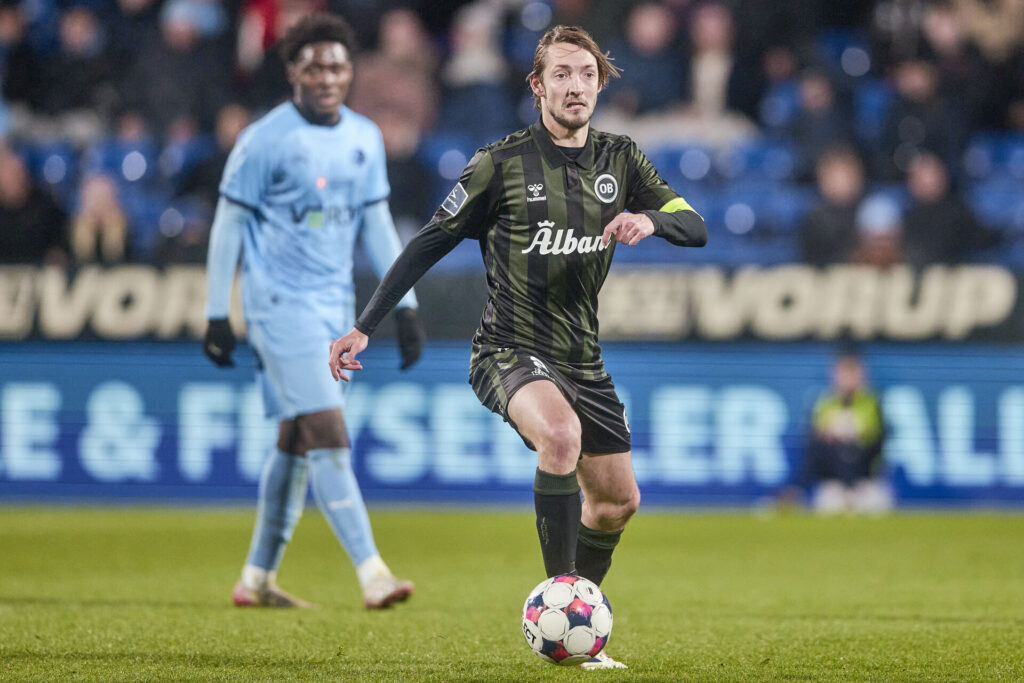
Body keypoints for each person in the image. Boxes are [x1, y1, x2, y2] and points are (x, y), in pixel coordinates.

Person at [328, 25, 707, 669]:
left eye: (586, 74)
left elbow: (693, 226)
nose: (576, 86)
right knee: (560, 436)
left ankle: (574, 623)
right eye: (561, 74)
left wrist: (651, 219)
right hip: (507, 350)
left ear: (600, 84)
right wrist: (366, 323)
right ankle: (561, 603)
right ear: (537, 86)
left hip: (583, 358)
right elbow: (428, 242)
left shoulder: (621, 159)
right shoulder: (499, 164)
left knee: (617, 502)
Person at [203, 14, 424, 610]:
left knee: (296, 438)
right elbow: (228, 224)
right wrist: (217, 312)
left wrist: (405, 305)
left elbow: (376, 224)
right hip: (277, 306)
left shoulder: (363, 136)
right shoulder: (264, 139)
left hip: (335, 308)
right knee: (328, 428)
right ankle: (373, 574)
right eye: (314, 66)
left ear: (351, 72)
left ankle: (256, 579)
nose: (327, 77)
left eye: (337, 66)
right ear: (292, 71)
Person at [802, 350, 892, 515]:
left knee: (876, 507)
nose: (849, 378)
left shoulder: (872, 402)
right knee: (828, 507)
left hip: (866, 483)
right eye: (844, 373)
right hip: (833, 484)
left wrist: (857, 434)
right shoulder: (824, 403)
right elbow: (814, 443)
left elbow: (879, 440)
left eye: (853, 372)